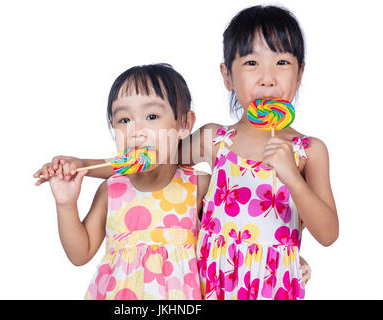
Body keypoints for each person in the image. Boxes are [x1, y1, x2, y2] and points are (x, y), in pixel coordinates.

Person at [34, 5, 328, 300]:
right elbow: (151, 162)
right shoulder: (216, 139)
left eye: (282, 62)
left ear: (300, 73)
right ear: (227, 75)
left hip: (273, 284)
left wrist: (292, 178)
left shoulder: (310, 151)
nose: (267, 77)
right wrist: (83, 166)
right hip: (208, 284)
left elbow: (328, 234)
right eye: (251, 63)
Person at [42, 63, 210, 300]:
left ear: (184, 124)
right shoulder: (111, 190)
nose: (136, 131)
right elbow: (80, 254)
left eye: (152, 116)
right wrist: (65, 205)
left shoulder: (199, 186)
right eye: (124, 120)